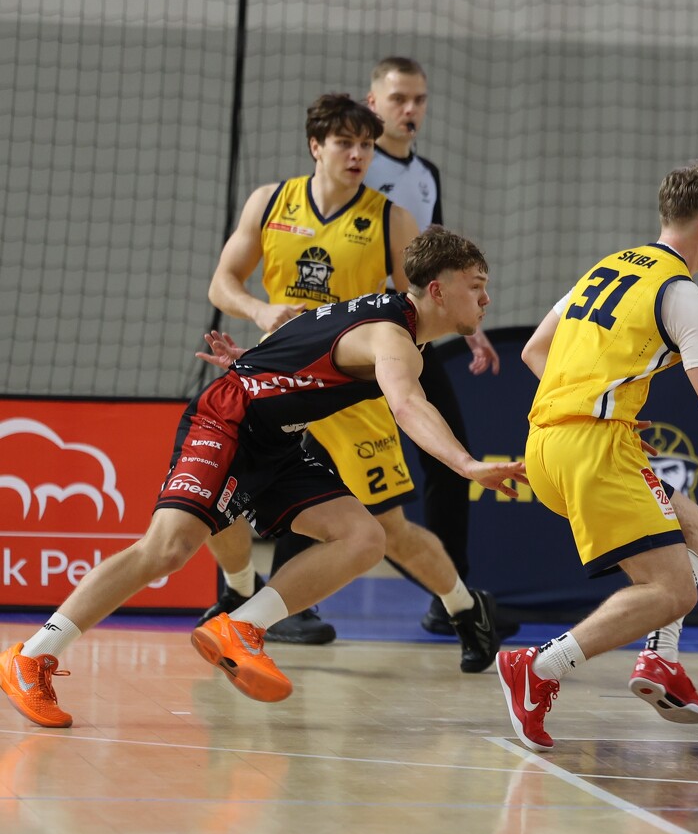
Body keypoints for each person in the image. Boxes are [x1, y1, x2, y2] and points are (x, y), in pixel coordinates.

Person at [0, 229, 525, 728]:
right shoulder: (393, 336)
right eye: (476, 286)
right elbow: (407, 405)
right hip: (228, 421)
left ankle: (241, 625)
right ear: (438, 290)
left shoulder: (382, 313)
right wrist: (467, 465)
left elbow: (303, 333)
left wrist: (256, 362)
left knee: (365, 537)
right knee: (167, 549)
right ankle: (33, 657)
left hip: (275, 439)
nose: (486, 299)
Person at [496, 163, 698, 752]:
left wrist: (595, 408)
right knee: (675, 591)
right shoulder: (683, 298)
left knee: (697, 530)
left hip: (545, 445)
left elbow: (535, 350)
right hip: (592, 452)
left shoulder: (607, 268)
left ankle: (660, 658)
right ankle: (538, 668)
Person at [196, 93, 502, 673]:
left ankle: (466, 609)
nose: (358, 154)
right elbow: (222, 283)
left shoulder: (390, 218)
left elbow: (425, 299)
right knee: (218, 487)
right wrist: (260, 311)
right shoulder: (270, 202)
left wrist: (468, 330)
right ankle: (239, 594)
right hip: (282, 377)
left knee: (388, 529)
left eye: (366, 145)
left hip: (351, 385)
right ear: (316, 146)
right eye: (345, 143)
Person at [362, 55, 515, 641]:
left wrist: (470, 324)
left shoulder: (425, 175)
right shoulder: (357, 167)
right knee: (323, 457)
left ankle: (452, 599)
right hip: (361, 337)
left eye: (419, 99)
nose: (411, 109)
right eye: (399, 98)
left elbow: (439, 262)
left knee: (450, 458)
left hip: (411, 334)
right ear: (373, 103)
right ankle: (288, 604)